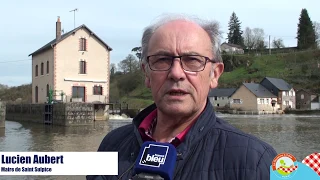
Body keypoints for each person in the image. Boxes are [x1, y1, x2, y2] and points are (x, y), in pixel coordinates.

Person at [87, 14, 277, 180]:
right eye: (162, 60)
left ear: (215, 74)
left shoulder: (255, 160)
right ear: (146, 74)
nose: (176, 73)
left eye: (192, 60)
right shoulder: (111, 144)